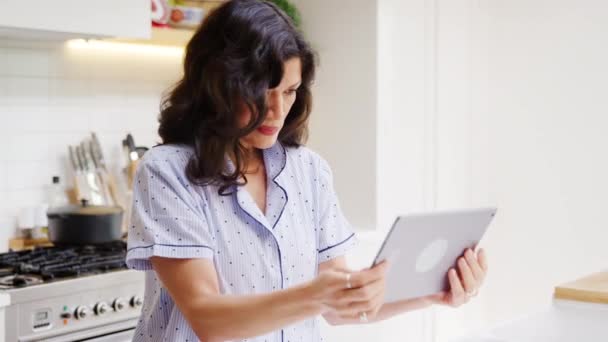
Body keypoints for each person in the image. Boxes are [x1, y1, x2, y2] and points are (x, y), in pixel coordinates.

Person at [126, 1, 489, 341]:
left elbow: (339, 307)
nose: (276, 110)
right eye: (260, 92)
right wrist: (317, 295)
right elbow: (207, 318)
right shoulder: (167, 172)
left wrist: (431, 293)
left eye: (290, 91)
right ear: (217, 88)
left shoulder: (308, 170)